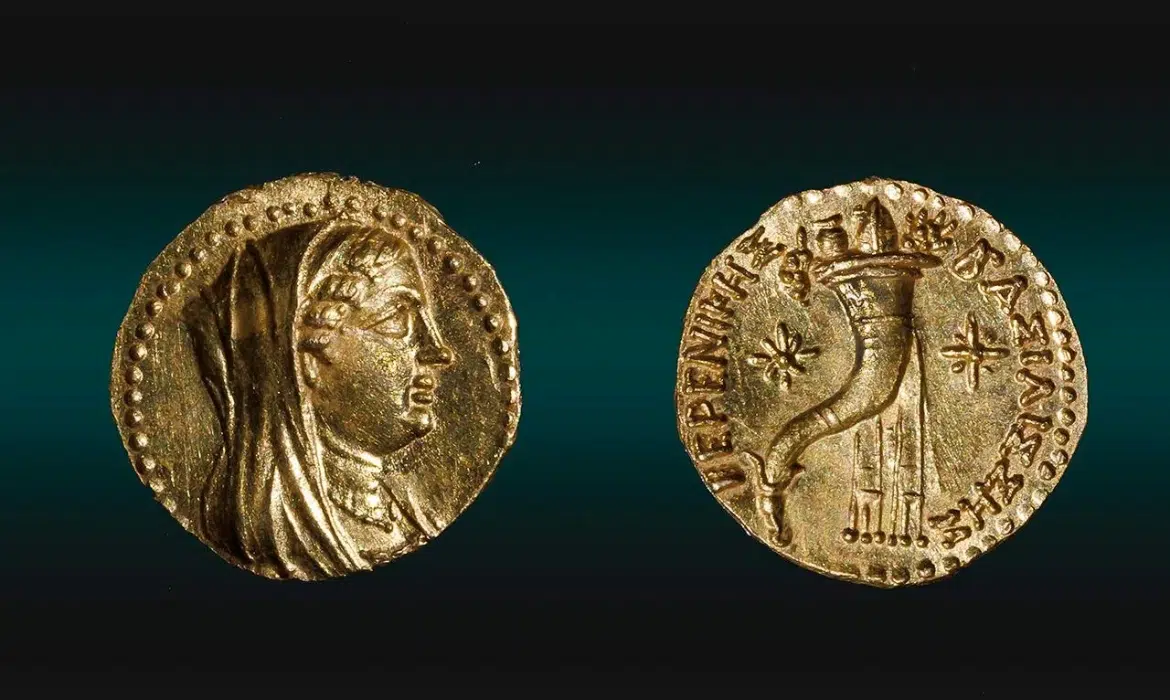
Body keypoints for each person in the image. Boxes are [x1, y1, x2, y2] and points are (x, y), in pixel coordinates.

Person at [182, 219, 454, 580]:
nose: (438, 350)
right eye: (394, 320)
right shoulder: (260, 533)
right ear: (306, 361)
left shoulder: (415, 515)